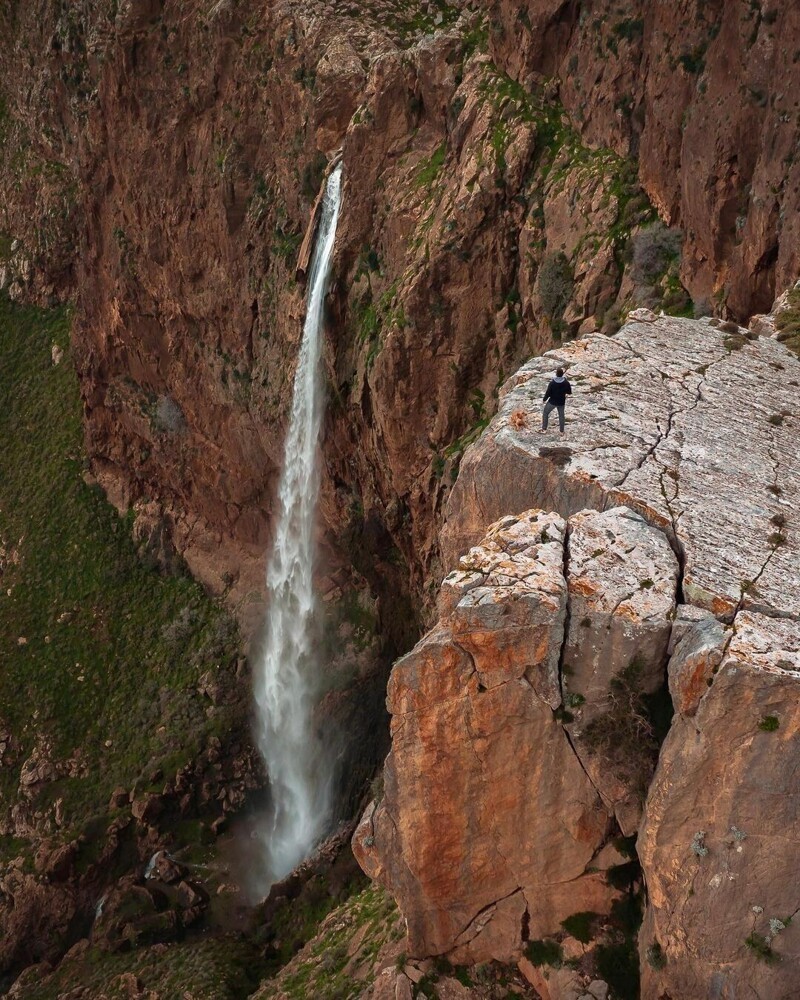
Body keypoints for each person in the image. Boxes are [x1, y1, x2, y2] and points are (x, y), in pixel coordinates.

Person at [539, 367, 572, 433]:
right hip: (561, 402)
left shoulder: (552, 383)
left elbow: (548, 392)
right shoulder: (566, 382)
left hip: (552, 402)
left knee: (545, 413)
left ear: (556, 374)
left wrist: (544, 399)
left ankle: (544, 429)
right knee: (561, 416)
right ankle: (561, 431)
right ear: (562, 374)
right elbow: (569, 392)